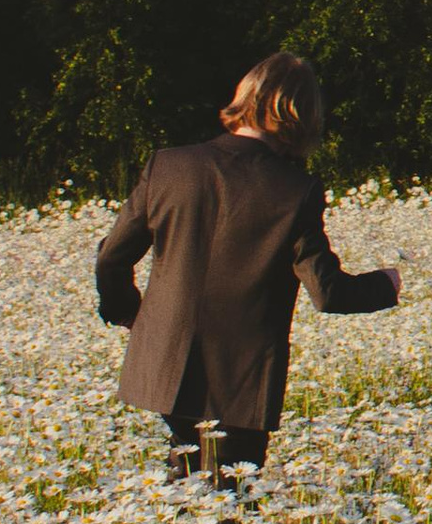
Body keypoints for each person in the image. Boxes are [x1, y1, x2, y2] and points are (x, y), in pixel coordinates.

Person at [96, 51, 401, 478]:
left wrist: (129, 313)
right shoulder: (295, 190)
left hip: (163, 364)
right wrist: (386, 283)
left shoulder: (169, 165)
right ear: (302, 115)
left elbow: (111, 257)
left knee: (186, 478)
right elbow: (328, 293)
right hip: (241, 380)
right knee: (231, 494)